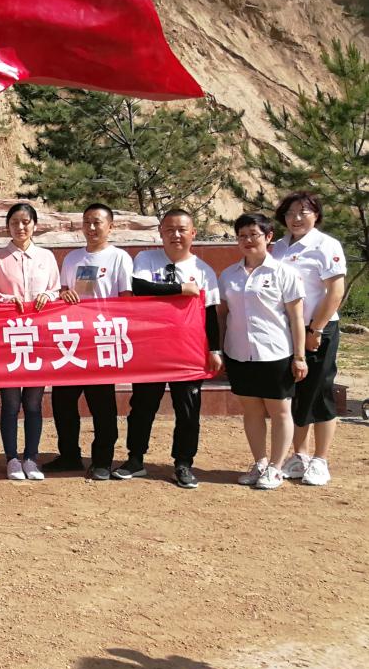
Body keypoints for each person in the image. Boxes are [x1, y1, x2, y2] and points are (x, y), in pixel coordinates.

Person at [116, 208, 222, 490]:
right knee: (142, 406)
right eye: (169, 230)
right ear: (160, 233)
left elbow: (210, 314)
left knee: (187, 409)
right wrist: (180, 289)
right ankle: (135, 459)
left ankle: (183, 463)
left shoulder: (203, 270)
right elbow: (139, 287)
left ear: (193, 233)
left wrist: (215, 350)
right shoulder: (146, 258)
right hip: (151, 349)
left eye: (182, 230)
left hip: (188, 352)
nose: (176, 235)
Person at [219, 213, 307, 491]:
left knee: (280, 411)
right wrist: (220, 349)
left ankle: (276, 468)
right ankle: (260, 462)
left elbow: (296, 318)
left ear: (268, 237)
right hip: (239, 352)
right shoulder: (228, 275)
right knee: (252, 410)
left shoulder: (284, 273)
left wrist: (300, 356)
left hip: (274, 353)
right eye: (242, 236)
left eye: (253, 234)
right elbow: (223, 315)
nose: (247, 240)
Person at [271, 191, 347, 487]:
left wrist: (316, 330)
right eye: (290, 213)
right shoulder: (279, 246)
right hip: (288, 330)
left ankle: (320, 459)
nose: (296, 218)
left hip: (318, 329)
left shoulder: (326, 245)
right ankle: (300, 455)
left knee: (319, 391)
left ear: (316, 215)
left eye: (303, 212)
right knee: (297, 393)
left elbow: (335, 292)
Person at [52, 204, 134, 480]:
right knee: (63, 401)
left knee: (102, 404)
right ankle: (69, 455)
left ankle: (102, 460)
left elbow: (126, 298)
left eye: (97, 222)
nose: (91, 227)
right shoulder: (72, 258)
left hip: (102, 339)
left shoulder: (119, 258)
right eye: (87, 221)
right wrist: (65, 296)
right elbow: (64, 292)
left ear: (110, 226)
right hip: (74, 339)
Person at [0, 203, 61, 482]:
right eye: (14, 222)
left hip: (38, 339)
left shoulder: (46, 257)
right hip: (9, 338)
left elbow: (56, 290)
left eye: (26, 221)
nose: (20, 227)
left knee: (34, 403)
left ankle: (31, 457)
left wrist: (48, 296)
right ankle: (12, 458)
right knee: (11, 402)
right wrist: (5, 300)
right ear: (8, 226)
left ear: (34, 225)